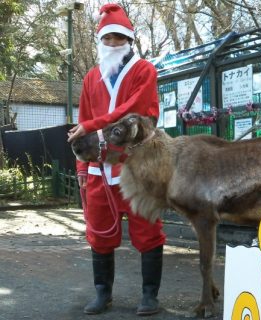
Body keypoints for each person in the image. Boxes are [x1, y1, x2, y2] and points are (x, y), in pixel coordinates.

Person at [67, 3, 166, 316]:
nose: (113, 44)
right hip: (99, 169)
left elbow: (135, 111)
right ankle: (102, 293)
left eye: (119, 38)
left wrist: (94, 125)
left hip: (138, 166)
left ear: (129, 40)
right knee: (99, 232)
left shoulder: (144, 71)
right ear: (99, 40)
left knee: (148, 229)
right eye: (107, 38)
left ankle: (150, 296)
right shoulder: (90, 79)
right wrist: (82, 166)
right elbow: (82, 121)